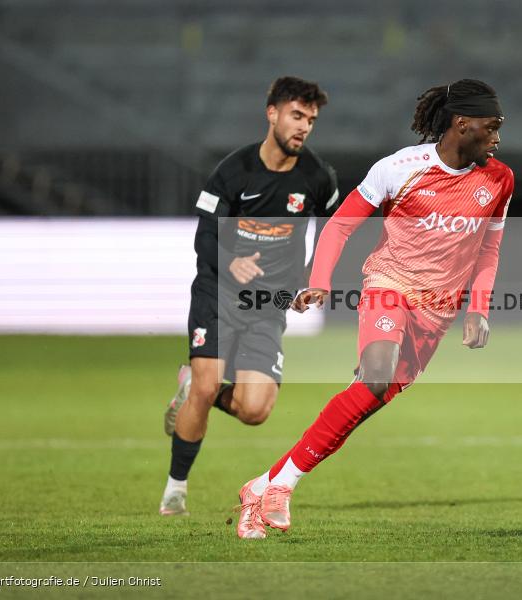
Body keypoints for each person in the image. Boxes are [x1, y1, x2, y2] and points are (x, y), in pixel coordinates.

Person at [233, 79, 513, 539]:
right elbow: (341, 226)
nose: (498, 137)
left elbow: (489, 251)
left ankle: (264, 485)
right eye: (493, 126)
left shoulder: (499, 180)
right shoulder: (400, 168)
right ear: (463, 124)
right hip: (389, 286)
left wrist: (478, 308)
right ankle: (280, 488)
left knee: (361, 402)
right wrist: (319, 283)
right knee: (376, 377)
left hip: (436, 313)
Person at [159, 76, 340, 516]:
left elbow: (338, 230)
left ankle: (195, 388)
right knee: (206, 385)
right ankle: (175, 489)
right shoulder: (233, 172)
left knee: (254, 410)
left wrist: (313, 279)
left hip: (270, 303)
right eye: (297, 116)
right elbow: (203, 238)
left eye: (311, 120)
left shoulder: (316, 177)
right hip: (219, 292)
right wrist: (231, 259)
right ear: (272, 113)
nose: (304, 127)